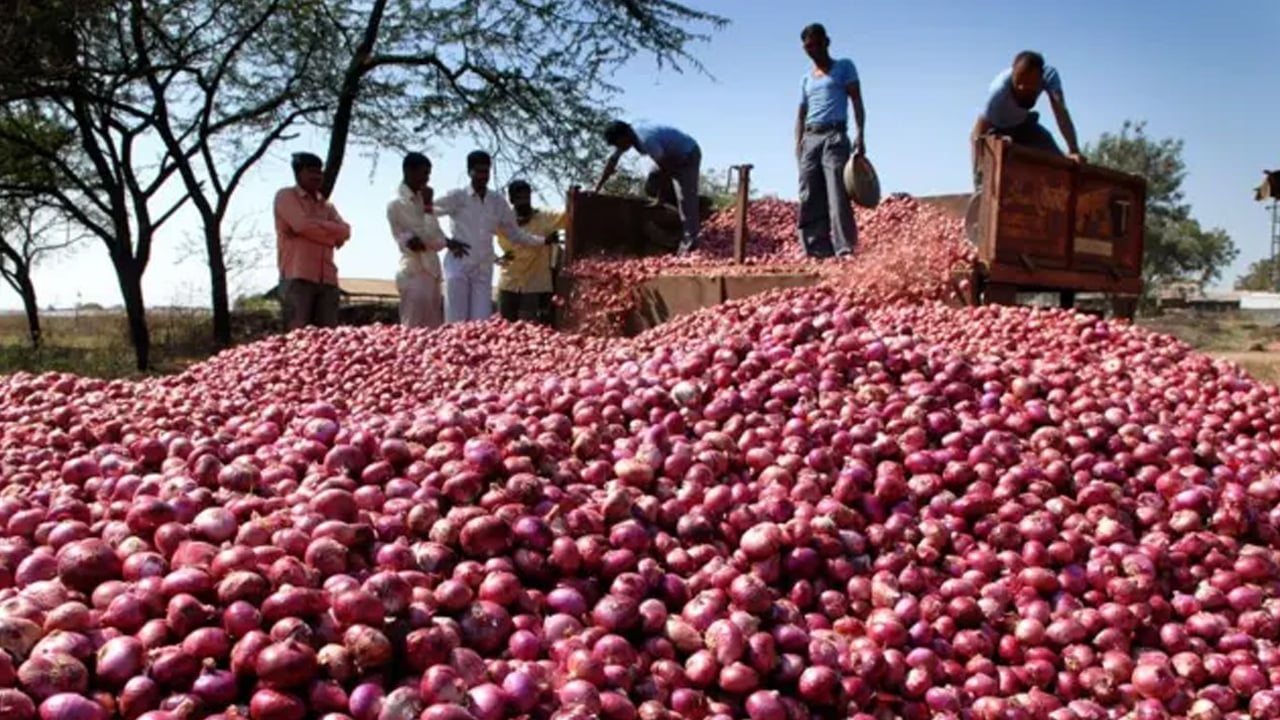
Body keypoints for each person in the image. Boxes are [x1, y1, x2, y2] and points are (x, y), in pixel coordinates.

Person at [434, 151, 561, 323]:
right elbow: (426, 212)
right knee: (456, 322)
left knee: (480, 324)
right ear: (469, 171)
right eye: (478, 171)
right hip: (459, 264)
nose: (482, 177)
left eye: (486, 172)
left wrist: (543, 241)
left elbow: (516, 234)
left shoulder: (497, 201)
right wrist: (445, 241)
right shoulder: (457, 196)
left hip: (483, 269)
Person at [795, 23, 864, 260]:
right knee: (808, 192)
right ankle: (816, 248)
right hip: (811, 136)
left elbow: (856, 101)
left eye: (816, 44)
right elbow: (801, 113)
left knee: (837, 191)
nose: (812, 50)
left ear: (826, 42)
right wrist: (798, 142)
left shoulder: (844, 67)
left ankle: (845, 247)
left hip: (835, 134)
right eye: (807, 47)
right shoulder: (805, 79)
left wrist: (861, 135)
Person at [971, 50, 1084, 191]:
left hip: (1023, 125)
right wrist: (978, 178)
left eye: (1030, 87)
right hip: (998, 130)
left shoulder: (1049, 76)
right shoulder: (999, 92)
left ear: (1040, 81)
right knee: (1004, 152)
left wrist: (1074, 150)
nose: (1022, 88)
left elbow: (1060, 111)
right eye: (1018, 84)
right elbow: (977, 134)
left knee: (1057, 161)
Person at [593, 120, 702, 254]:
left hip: (686, 155)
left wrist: (660, 198)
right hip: (668, 156)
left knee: (685, 199)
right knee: (651, 184)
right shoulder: (629, 135)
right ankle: (675, 209)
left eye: (618, 143)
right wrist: (597, 187)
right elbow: (612, 162)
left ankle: (690, 244)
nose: (619, 147)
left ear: (624, 136)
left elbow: (665, 170)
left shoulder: (646, 139)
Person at [386, 152, 465, 329]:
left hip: (431, 271)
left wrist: (445, 241)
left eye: (428, 174)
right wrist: (429, 208)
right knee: (413, 333)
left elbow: (436, 239)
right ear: (408, 171)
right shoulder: (398, 203)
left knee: (432, 335)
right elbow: (429, 238)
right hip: (415, 272)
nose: (427, 179)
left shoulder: (421, 200)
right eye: (424, 174)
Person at [273, 152, 350, 331]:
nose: (317, 176)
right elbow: (301, 225)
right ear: (298, 173)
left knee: (327, 338)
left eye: (319, 172)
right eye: (311, 172)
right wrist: (331, 238)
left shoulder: (325, 204)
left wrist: (316, 227)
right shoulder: (286, 196)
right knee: (297, 336)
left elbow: (346, 231)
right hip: (298, 275)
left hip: (328, 278)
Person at [495, 180, 566, 326]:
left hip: (536, 285)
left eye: (527, 198)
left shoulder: (544, 217)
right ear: (511, 200)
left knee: (533, 331)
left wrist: (574, 198)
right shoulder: (503, 223)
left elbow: (566, 216)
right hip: (510, 284)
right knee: (504, 329)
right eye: (520, 199)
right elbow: (517, 249)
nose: (524, 202)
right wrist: (543, 241)